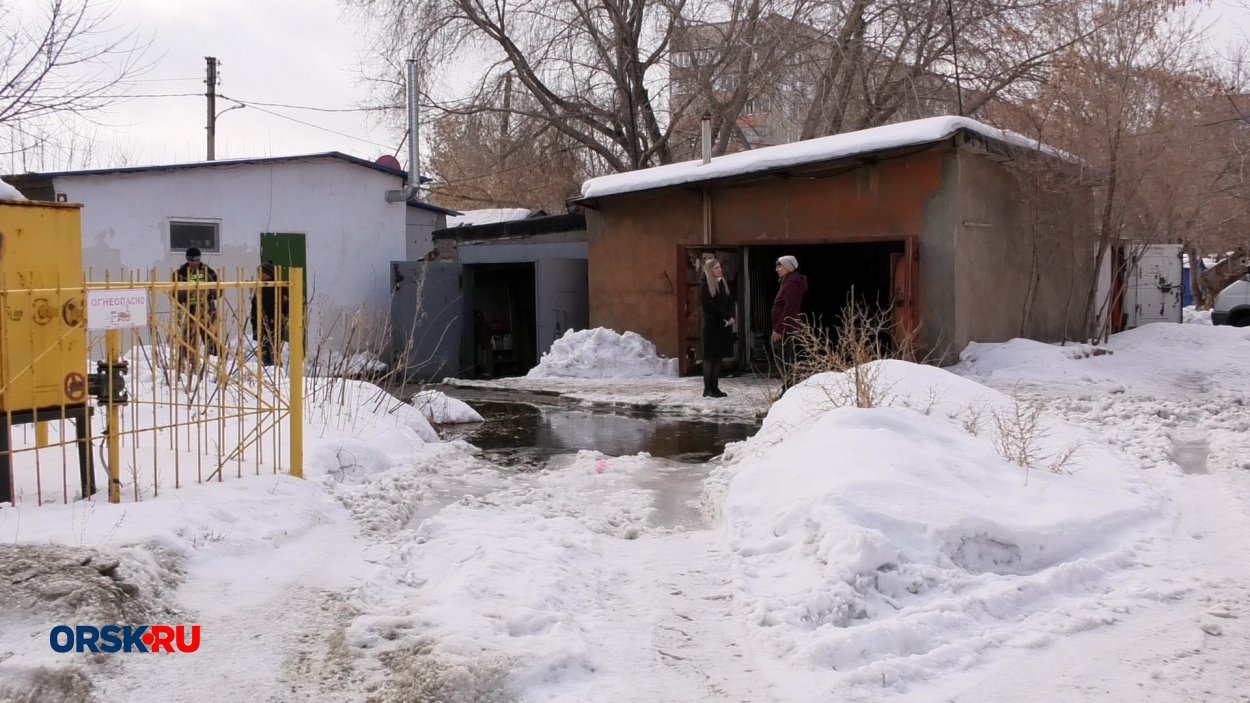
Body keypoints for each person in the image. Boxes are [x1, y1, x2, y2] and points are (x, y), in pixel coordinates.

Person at [174, 247, 220, 368]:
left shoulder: (209, 272)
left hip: (207, 310)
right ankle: (190, 362)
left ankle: (213, 361)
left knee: (211, 336)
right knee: (189, 338)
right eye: (191, 260)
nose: (194, 263)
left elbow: (218, 292)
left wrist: (208, 291)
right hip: (189, 310)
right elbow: (174, 294)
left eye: (196, 260)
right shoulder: (181, 273)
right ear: (187, 259)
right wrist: (186, 293)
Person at [770, 254, 808, 390]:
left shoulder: (792, 284)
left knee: (786, 358)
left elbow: (789, 308)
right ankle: (788, 385)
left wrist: (780, 329)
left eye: (779, 266)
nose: (777, 269)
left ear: (788, 267)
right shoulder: (787, 282)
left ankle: (789, 386)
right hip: (784, 326)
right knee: (783, 357)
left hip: (786, 327)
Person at [700, 258, 736, 398]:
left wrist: (731, 317)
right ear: (709, 270)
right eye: (715, 268)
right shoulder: (705, 285)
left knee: (719, 357)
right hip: (711, 327)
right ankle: (707, 387)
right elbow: (710, 306)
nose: (719, 270)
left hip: (723, 326)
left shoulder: (723, 284)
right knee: (710, 357)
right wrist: (727, 316)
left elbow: (730, 302)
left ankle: (715, 387)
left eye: (719, 267)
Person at [248, 261, 289, 366]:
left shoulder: (278, 287)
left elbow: (284, 307)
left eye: (262, 273)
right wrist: (254, 321)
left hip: (274, 324)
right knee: (265, 351)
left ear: (269, 274)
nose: (260, 275)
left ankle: (275, 371)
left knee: (273, 351)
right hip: (261, 324)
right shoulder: (260, 286)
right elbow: (255, 307)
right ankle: (269, 369)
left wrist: (280, 319)